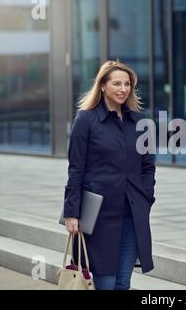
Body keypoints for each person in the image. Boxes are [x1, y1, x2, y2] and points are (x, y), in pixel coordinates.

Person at [62, 60, 156, 290]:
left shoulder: (140, 122)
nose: (123, 89)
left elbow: (148, 166)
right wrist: (71, 213)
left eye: (127, 84)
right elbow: (75, 169)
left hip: (132, 215)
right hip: (99, 217)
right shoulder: (86, 120)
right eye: (116, 83)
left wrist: (146, 197)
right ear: (102, 86)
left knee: (123, 282)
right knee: (106, 282)